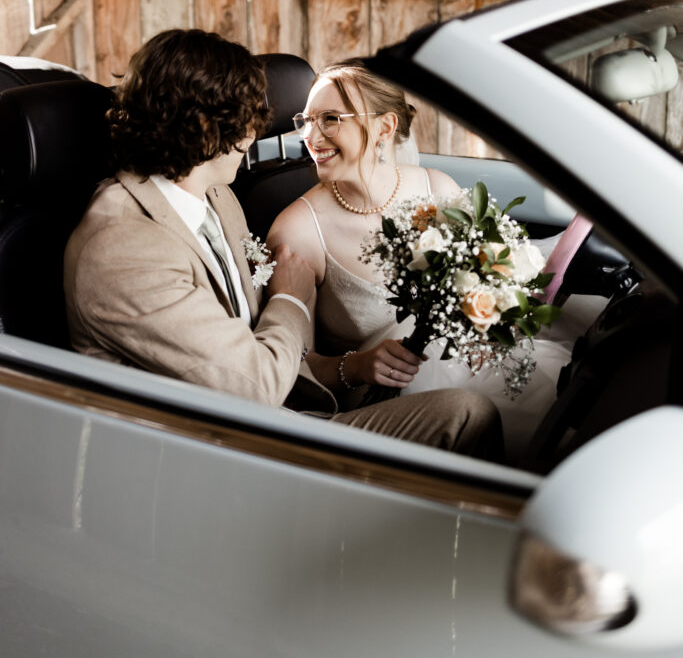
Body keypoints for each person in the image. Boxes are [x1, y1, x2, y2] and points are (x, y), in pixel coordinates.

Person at [64, 29, 502, 460]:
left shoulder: (216, 195)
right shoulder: (124, 247)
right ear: (203, 125)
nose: (255, 133)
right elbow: (256, 387)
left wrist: (352, 368)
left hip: (288, 404)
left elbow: (263, 340)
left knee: (468, 407)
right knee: (468, 415)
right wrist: (291, 297)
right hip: (224, 448)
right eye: (245, 118)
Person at [267, 59, 587, 461]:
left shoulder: (437, 188)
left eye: (330, 119)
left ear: (384, 127)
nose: (310, 137)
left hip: (475, 364)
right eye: (306, 120)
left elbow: (488, 284)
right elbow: (293, 369)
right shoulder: (297, 230)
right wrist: (359, 366)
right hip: (392, 404)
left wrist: (488, 326)